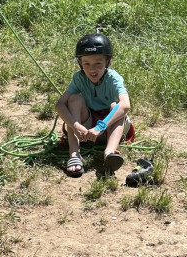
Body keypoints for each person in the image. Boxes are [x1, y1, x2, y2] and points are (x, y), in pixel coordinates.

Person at [54, 33, 132, 178]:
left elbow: (125, 105)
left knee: (116, 105)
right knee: (74, 100)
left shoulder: (113, 78)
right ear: (80, 63)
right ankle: (74, 154)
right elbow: (60, 105)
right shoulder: (79, 78)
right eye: (86, 64)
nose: (92, 69)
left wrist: (100, 127)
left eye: (98, 63)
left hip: (110, 128)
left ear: (108, 62)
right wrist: (75, 125)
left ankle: (109, 153)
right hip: (86, 130)